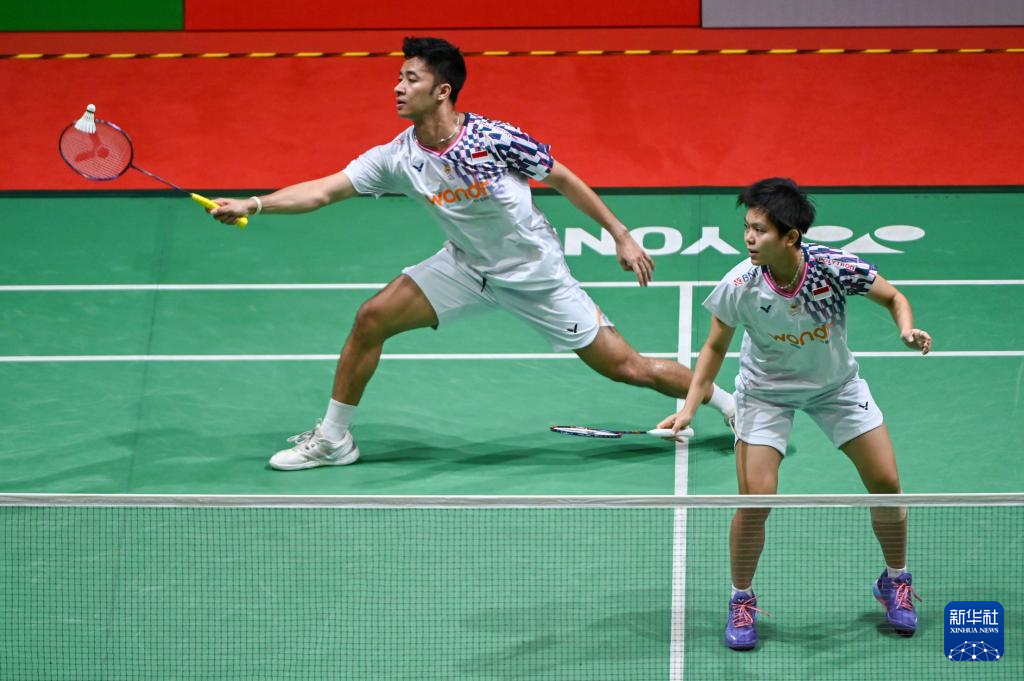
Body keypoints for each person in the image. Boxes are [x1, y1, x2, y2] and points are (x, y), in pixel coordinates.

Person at [209, 36, 735, 471]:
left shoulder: (494, 139)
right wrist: (254, 204)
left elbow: (563, 178)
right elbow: (324, 190)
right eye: (398, 78)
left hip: (536, 277)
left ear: (442, 91)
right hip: (465, 267)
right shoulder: (398, 156)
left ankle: (734, 407)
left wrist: (620, 233)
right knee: (371, 318)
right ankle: (333, 439)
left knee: (628, 367)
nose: (397, 87)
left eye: (410, 79)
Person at [658, 178, 931, 649]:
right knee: (756, 501)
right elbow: (714, 347)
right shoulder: (740, 284)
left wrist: (906, 329)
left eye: (760, 230)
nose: (749, 238)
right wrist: (689, 407)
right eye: (747, 227)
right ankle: (741, 599)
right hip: (765, 394)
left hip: (836, 387)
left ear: (791, 237)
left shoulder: (833, 268)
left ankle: (895, 580)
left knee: (887, 483)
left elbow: (893, 297)